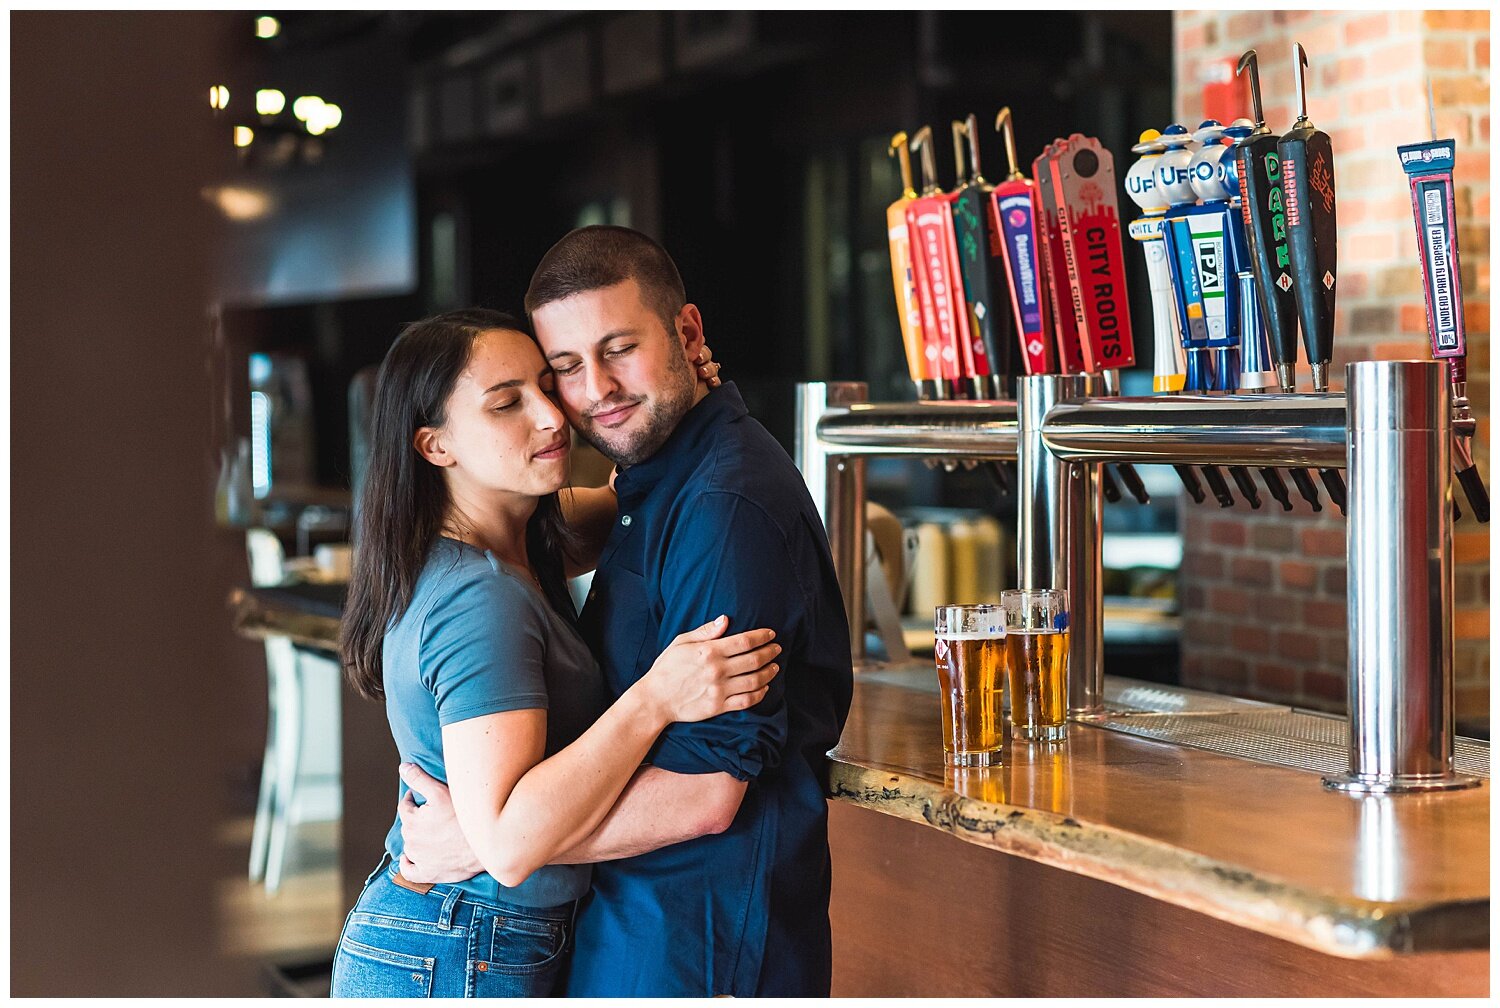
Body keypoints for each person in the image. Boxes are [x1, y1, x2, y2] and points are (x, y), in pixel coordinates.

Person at [398, 227, 855, 996]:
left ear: (687, 331)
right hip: (634, 927)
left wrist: (488, 842)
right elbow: (557, 525)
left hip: (699, 943)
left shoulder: (722, 504)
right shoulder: (650, 483)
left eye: (619, 348)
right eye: (566, 370)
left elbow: (708, 793)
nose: (594, 391)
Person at [331, 307, 781, 998]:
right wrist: (656, 699)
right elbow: (510, 842)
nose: (551, 416)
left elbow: (637, 497)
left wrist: (686, 402)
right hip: (455, 946)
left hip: (465, 934)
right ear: (436, 446)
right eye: (507, 404)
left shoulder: (524, 537)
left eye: (549, 385)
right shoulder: (479, 598)